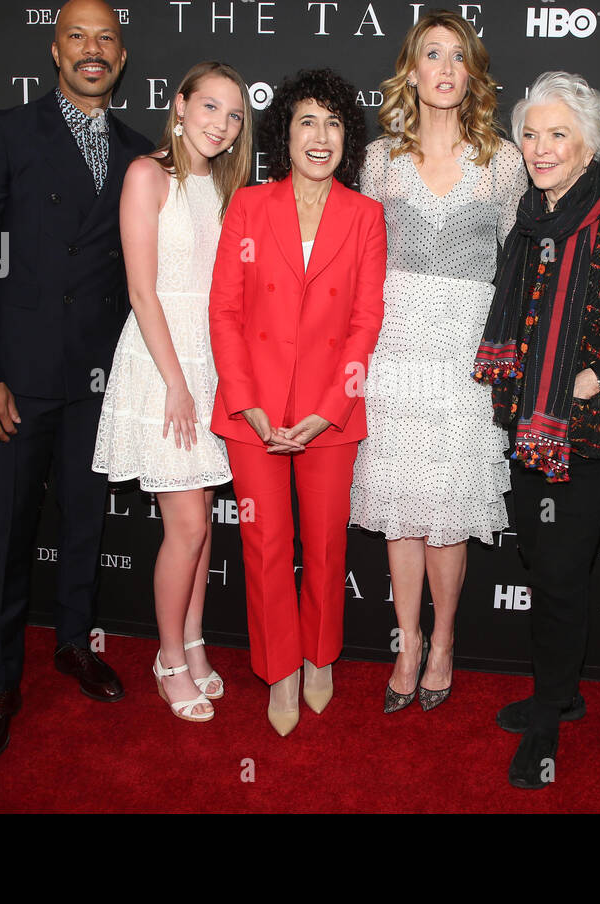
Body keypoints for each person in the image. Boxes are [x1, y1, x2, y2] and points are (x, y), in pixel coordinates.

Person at [0, 0, 153, 765]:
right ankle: (0, 685)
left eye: (106, 38)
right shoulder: (6, 132)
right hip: (19, 380)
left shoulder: (138, 151)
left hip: (99, 380)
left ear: (121, 59)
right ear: (55, 52)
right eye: (77, 36)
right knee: (5, 534)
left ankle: (73, 644)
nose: (92, 49)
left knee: (84, 523)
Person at [475, 71, 600, 789]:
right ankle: (561, 691)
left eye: (558, 134)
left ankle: (546, 726)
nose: (540, 147)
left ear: (590, 146)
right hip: (526, 427)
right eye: (530, 133)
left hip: (588, 438)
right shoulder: (529, 223)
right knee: (545, 566)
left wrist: (589, 379)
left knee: (559, 576)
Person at [351, 10, 527, 714]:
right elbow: (360, 263)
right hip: (395, 346)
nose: (446, 67)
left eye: (459, 55)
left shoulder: (504, 160)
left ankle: (445, 641)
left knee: (449, 506)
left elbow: (517, 267)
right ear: (413, 70)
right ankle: (406, 642)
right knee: (404, 510)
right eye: (433, 54)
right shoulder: (378, 160)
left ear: (472, 72)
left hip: (465, 350)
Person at [208, 69, 386, 736]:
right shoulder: (249, 208)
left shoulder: (365, 216)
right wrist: (248, 404)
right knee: (264, 543)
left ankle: (320, 659)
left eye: (333, 123)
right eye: (307, 121)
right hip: (252, 414)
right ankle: (279, 670)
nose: (320, 136)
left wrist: (331, 410)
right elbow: (224, 312)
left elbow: (366, 320)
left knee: (325, 545)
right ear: (285, 132)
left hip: (328, 416)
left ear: (349, 137)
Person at [91, 62, 253, 721]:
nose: (222, 123)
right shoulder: (144, 174)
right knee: (186, 525)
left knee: (201, 522)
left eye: (235, 114)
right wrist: (179, 385)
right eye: (210, 107)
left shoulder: (224, 186)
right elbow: (140, 290)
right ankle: (165, 659)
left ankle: (192, 641)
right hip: (164, 366)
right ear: (179, 105)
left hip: (210, 362)